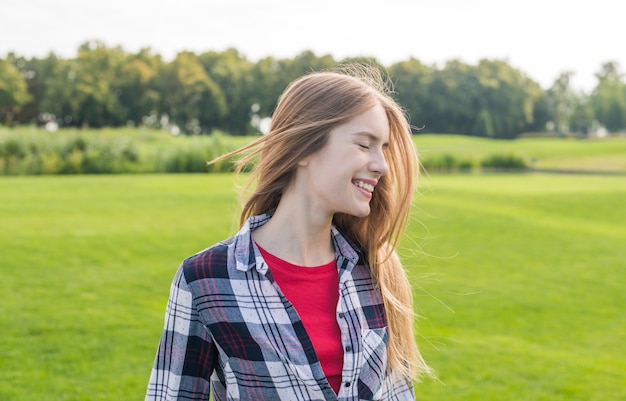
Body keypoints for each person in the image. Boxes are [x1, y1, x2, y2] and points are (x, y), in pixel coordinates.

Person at [145, 65, 431, 401]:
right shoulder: (205, 279)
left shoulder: (375, 271)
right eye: (364, 145)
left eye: (382, 148)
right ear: (305, 147)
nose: (381, 165)